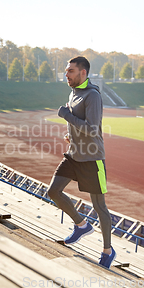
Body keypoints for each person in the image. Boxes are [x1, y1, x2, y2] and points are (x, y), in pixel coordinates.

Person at [47, 56, 116, 269]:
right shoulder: (74, 92)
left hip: (91, 159)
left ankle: (107, 250)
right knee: (53, 191)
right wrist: (71, 136)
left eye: (70, 71)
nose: (66, 74)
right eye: (66, 71)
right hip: (74, 154)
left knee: (99, 206)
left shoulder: (92, 95)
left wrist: (66, 116)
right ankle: (81, 225)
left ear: (83, 73)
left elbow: (92, 129)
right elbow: (79, 125)